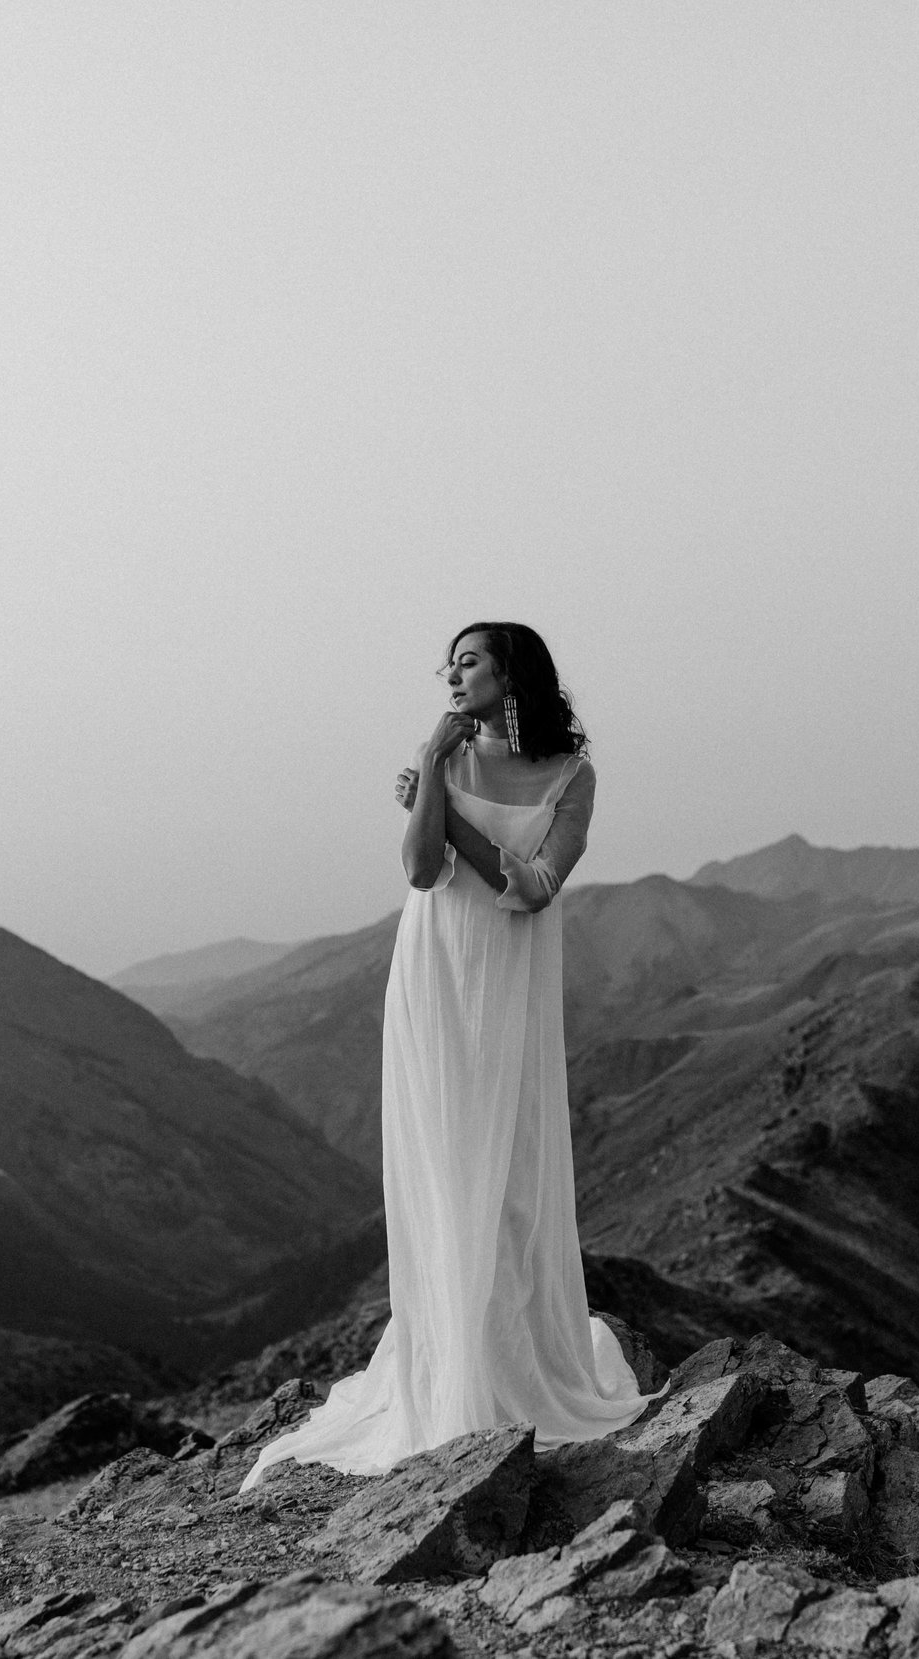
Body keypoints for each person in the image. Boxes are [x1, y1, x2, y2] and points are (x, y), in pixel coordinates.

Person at [238, 622, 657, 1491]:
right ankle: (449, 1371)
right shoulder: (447, 759)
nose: (453, 676)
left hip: (508, 980)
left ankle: (509, 1362)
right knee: (443, 1161)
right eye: (451, 664)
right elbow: (423, 870)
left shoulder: (574, 776)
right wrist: (433, 767)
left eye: (469, 661)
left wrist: (449, 807)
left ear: (512, 673)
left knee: (505, 1166)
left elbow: (535, 889)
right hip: (434, 970)